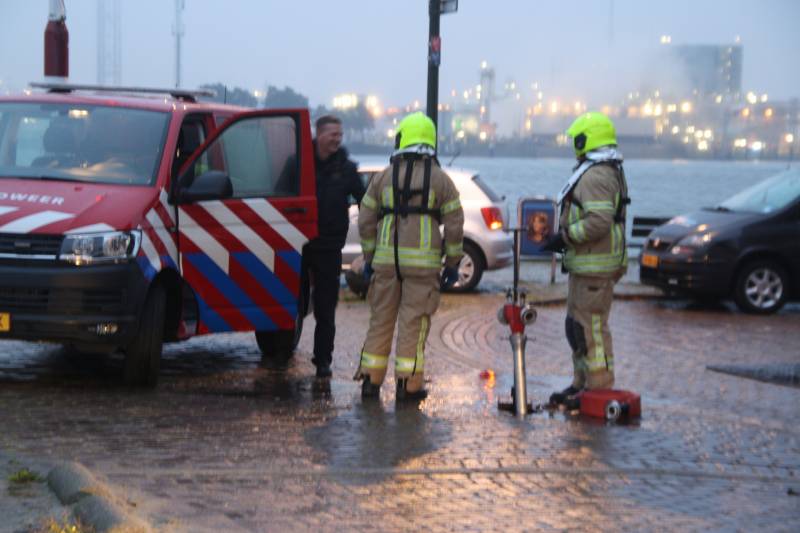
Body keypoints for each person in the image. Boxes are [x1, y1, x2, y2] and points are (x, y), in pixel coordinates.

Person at [354, 112, 464, 401]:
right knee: (413, 325)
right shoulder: (441, 180)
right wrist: (452, 264)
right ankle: (408, 386)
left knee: (380, 320)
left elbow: (365, 219)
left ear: (401, 138)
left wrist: (369, 257)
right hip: (423, 267)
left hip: (386, 265)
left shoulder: (382, 177)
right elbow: (454, 225)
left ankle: (370, 381)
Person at [542, 111, 630, 405]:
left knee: (591, 329)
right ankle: (582, 384)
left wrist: (564, 237)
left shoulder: (596, 175)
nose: (573, 145)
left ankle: (599, 389)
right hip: (587, 264)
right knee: (576, 328)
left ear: (587, 139)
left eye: (576, 139)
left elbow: (598, 222)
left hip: (596, 266)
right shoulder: (602, 170)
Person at [304, 115, 365, 379]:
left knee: (326, 308)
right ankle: (278, 348)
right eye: (333, 134)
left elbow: (366, 202)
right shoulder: (300, 163)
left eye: (340, 135)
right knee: (292, 301)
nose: (337, 139)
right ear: (319, 135)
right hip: (300, 245)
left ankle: (323, 360)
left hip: (329, 247)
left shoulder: (348, 169)